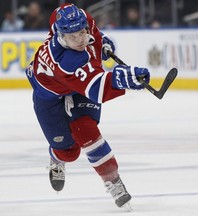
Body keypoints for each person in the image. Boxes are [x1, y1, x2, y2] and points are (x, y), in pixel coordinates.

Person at [25, 3, 150, 209]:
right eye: (73, 37)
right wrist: (124, 79)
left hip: (80, 85)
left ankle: (113, 181)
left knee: (86, 130)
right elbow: (97, 89)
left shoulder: (77, 17)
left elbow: (78, 21)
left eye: (82, 33)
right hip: (49, 95)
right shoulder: (64, 61)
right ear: (61, 35)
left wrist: (100, 42)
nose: (80, 40)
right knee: (69, 152)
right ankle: (57, 158)